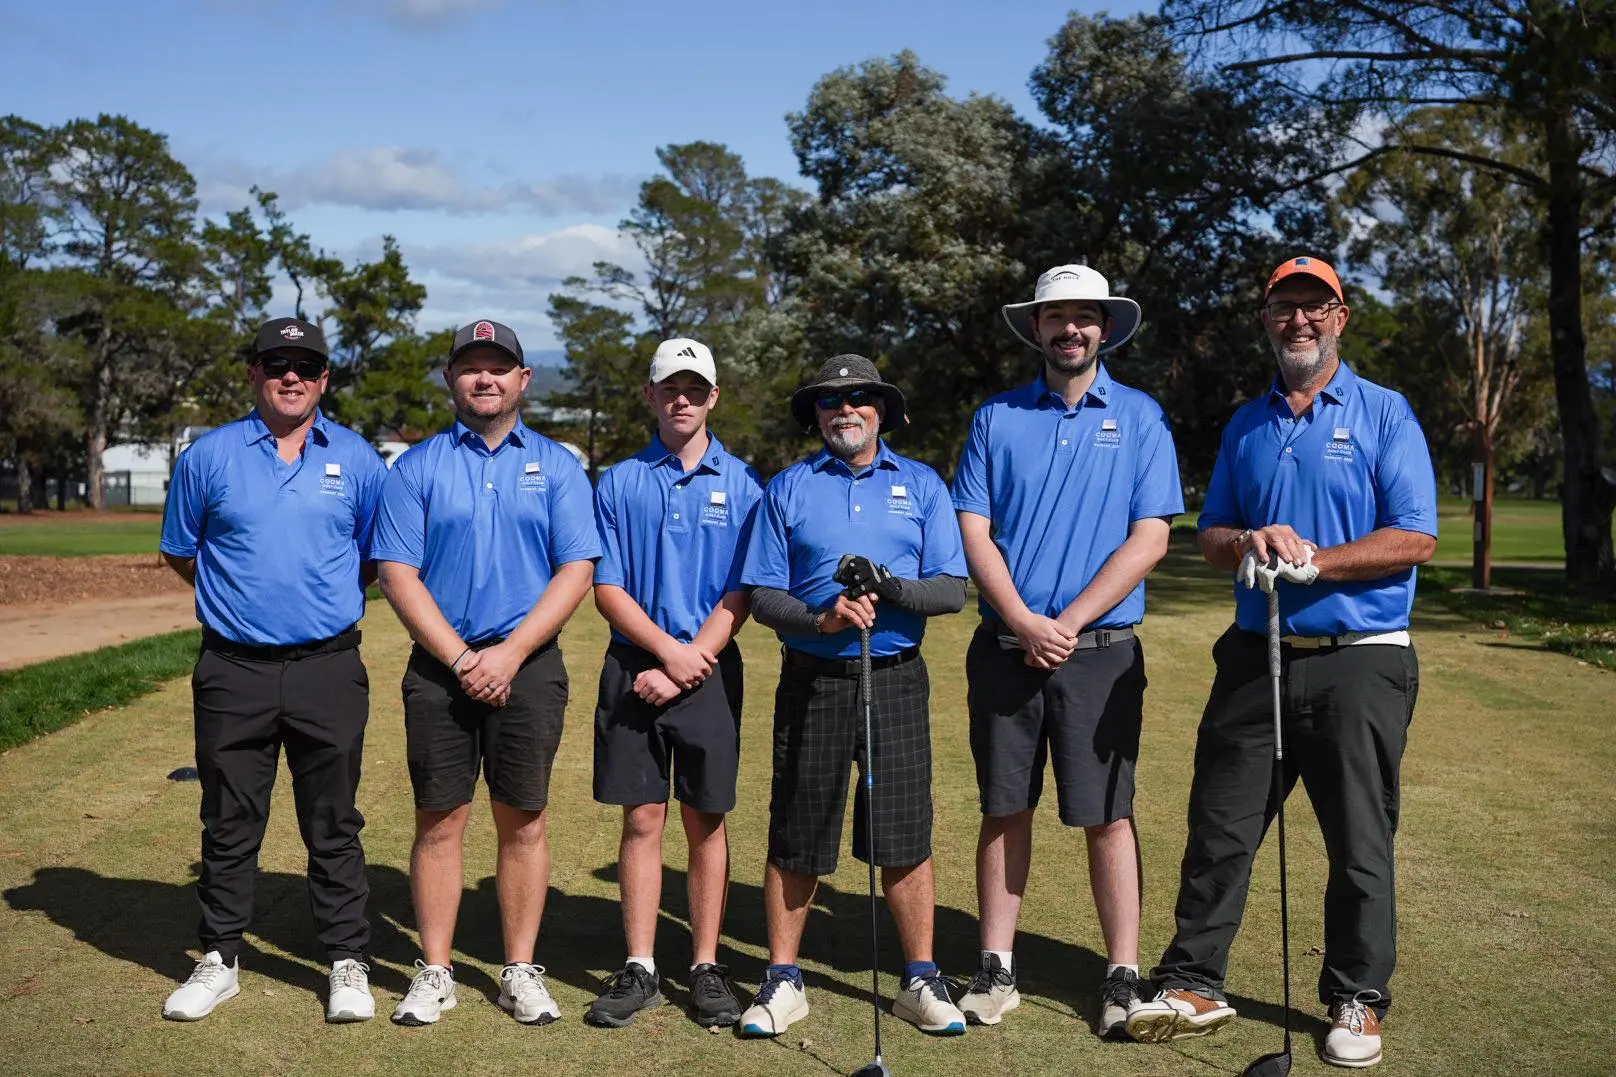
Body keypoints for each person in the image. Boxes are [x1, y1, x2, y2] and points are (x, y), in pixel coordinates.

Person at [1126, 257, 1436, 1070]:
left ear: (1341, 316)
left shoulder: (1384, 413)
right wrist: (1252, 542)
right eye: (1284, 307)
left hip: (1359, 658)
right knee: (1220, 824)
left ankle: (1358, 998)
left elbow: (1416, 535)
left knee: (1359, 839)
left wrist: (1319, 560)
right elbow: (1210, 533)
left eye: (1314, 306)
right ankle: (1194, 980)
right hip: (1255, 651)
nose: (1299, 320)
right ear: (1266, 319)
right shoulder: (1247, 423)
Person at [950, 264, 1184, 1037]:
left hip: (1101, 652)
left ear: (1105, 328)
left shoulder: (1143, 417)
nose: (1070, 329)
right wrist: (1022, 618)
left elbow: (1150, 536)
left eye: (1084, 317)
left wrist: (1070, 622)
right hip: (1006, 646)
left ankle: (1121, 975)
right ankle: (996, 967)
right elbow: (974, 530)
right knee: (1003, 807)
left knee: (1107, 814)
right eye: (1057, 318)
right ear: (1038, 329)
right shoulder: (996, 418)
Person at [371, 319, 601, 1028]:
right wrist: (467, 659)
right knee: (440, 819)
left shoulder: (559, 466)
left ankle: (518, 969)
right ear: (450, 380)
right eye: (470, 367)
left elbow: (577, 568)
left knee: (523, 820)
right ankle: (435, 967)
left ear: (523, 380)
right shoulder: (416, 467)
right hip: (441, 669)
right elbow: (397, 574)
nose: (484, 378)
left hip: (529, 666)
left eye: (498, 367)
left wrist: (507, 655)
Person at [157, 317, 387, 1024]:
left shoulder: (359, 458)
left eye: (306, 365)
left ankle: (347, 959)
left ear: (324, 380)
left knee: (333, 821)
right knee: (228, 818)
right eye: (276, 363)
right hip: (234, 668)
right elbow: (182, 551)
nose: (292, 375)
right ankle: (220, 956)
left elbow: (375, 561)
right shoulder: (209, 456)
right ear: (253, 373)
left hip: (328, 666)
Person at [736, 354, 970, 1039]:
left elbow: (951, 588)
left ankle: (921, 977)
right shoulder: (788, 487)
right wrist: (822, 619)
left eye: (859, 398)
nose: (845, 409)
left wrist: (890, 588)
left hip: (894, 674)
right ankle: (783, 978)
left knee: (903, 827)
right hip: (814, 675)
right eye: (830, 400)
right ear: (815, 414)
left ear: (881, 410)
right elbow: (762, 593)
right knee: (799, 827)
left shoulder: (922, 484)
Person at [584, 338, 763, 1029]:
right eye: (670, 387)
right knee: (642, 817)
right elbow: (607, 585)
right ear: (650, 394)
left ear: (714, 396)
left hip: (711, 667)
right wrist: (665, 654)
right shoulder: (621, 481)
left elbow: (743, 588)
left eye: (695, 387)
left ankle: (707, 964)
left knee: (706, 818)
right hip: (636, 664)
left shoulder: (745, 484)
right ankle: (640, 965)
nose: (682, 398)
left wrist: (692, 659)